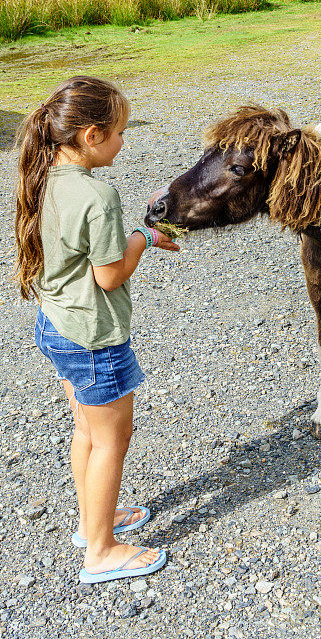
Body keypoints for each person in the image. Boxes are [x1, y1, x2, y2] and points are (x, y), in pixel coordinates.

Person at [14, 76, 179, 584]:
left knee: (86, 429)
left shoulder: (44, 176)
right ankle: (101, 552)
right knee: (113, 439)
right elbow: (109, 275)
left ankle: (92, 525)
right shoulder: (98, 196)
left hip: (56, 325)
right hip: (93, 338)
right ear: (90, 136)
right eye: (120, 133)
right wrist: (144, 236)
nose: (124, 142)